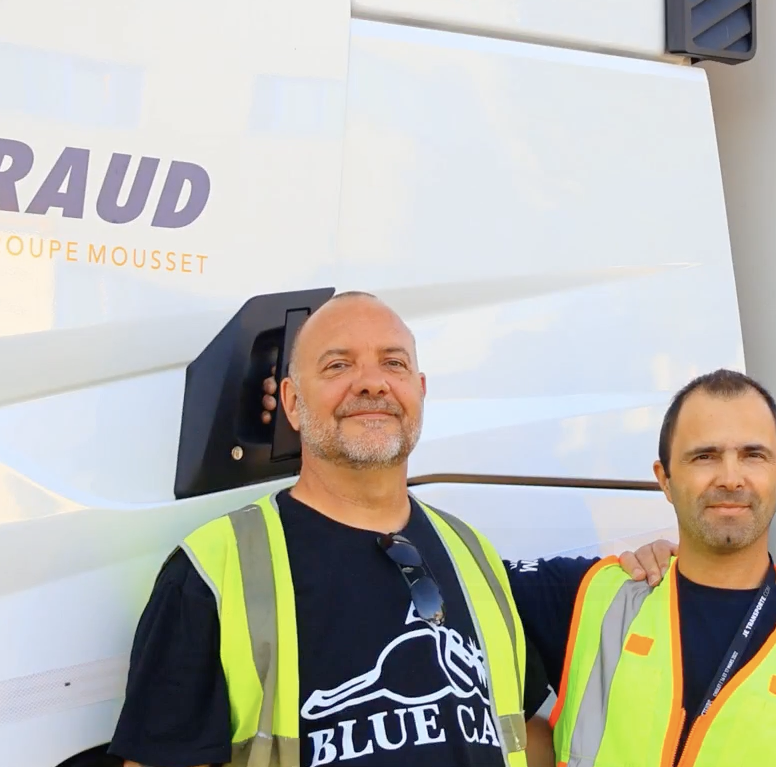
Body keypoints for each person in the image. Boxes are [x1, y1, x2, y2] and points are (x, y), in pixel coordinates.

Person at [109, 292, 554, 767]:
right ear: (293, 402)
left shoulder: (472, 552)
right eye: (339, 365)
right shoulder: (211, 573)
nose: (372, 384)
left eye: (393, 363)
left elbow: (525, 733)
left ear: (420, 390)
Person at [505, 369, 776, 767]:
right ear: (665, 479)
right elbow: (451, 574)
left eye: (753, 455)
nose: (731, 478)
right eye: (705, 456)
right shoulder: (591, 597)